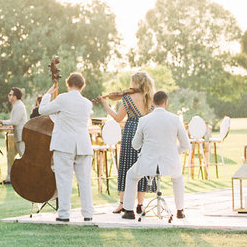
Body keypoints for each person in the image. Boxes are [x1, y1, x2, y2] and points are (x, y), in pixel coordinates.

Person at [121, 90, 190, 220]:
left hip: (147, 163)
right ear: (166, 102)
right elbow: (186, 145)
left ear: (153, 102)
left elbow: (135, 145)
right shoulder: (175, 119)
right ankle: (180, 210)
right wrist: (175, 152)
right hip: (170, 162)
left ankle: (129, 211)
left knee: (131, 175)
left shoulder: (143, 120)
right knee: (178, 178)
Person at [39, 72, 94, 223]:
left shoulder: (63, 98)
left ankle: (63, 214)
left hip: (64, 144)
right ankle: (88, 213)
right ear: (82, 86)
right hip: (83, 144)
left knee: (64, 180)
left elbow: (42, 110)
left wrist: (48, 94)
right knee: (84, 180)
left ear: (68, 84)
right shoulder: (87, 103)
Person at [100, 71, 157, 214]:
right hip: (146, 132)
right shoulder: (151, 99)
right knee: (143, 166)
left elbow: (118, 118)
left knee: (126, 165)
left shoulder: (128, 98)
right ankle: (140, 204)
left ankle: (122, 203)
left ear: (136, 83)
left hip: (131, 131)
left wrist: (106, 106)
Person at [0, 88, 27, 184]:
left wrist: (2, 122)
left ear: (15, 97)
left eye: (10, 94)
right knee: (10, 156)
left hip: (20, 136)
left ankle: (29, 177)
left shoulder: (19, 106)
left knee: (23, 157)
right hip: (15, 136)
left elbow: (15, 121)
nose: (9, 96)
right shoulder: (16, 105)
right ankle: (9, 178)